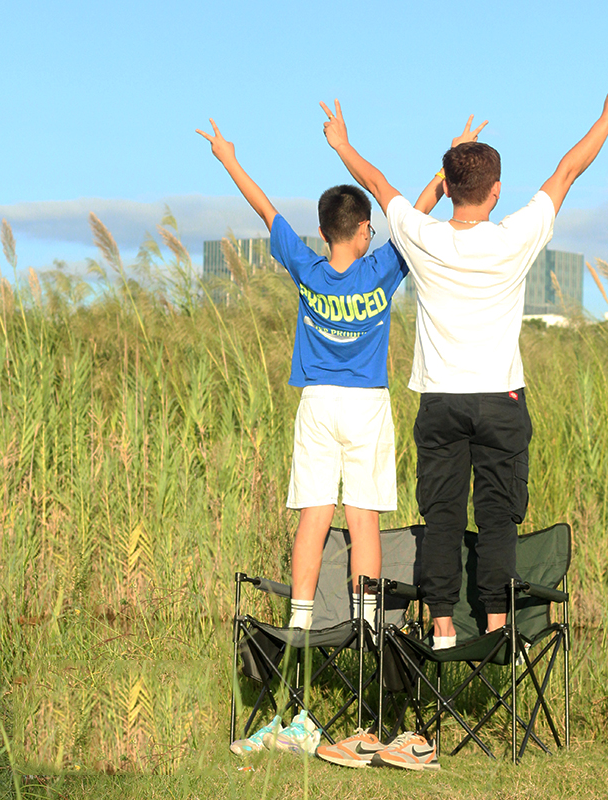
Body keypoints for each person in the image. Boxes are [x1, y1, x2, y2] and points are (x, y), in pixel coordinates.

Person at [196, 115, 485, 757]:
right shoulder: (382, 267)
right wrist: (449, 165)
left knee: (312, 522)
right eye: (370, 227)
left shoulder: (305, 263)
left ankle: (300, 642)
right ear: (360, 231)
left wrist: (227, 156)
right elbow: (412, 209)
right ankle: (364, 633)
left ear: (324, 231)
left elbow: (264, 206)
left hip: (317, 407)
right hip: (366, 408)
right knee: (365, 525)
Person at [321, 71, 608, 650]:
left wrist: (341, 142)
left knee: (441, 517)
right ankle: (494, 627)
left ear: (452, 186)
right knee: (497, 517)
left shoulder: (422, 237)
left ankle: (441, 627)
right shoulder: (514, 236)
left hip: (440, 403)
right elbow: (567, 171)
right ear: (494, 192)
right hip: (500, 401)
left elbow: (378, 181)